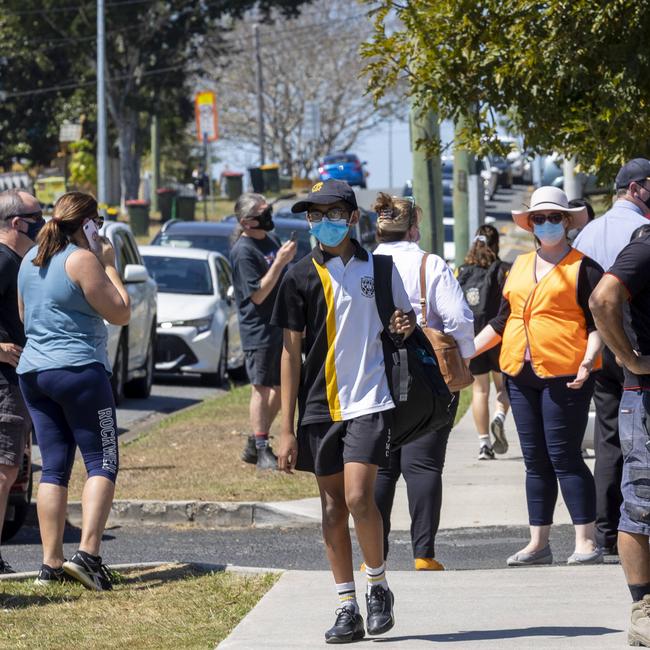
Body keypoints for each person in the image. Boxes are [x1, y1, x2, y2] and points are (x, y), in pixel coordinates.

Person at [273, 180, 415, 644]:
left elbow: (401, 328)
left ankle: (377, 586)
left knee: (358, 498)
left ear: (353, 218)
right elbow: (290, 355)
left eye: (332, 213)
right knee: (332, 508)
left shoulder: (381, 266)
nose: (322, 223)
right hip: (318, 407)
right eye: (314, 215)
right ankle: (346, 605)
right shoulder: (298, 276)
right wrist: (285, 428)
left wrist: (403, 325)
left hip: (370, 400)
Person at [473, 186, 604, 566]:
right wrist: (467, 350)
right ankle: (538, 543)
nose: (546, 224)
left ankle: (585, 541)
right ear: (530, 224)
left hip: (567, 373)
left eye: (553, 218)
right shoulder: (517, 265)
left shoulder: (585, 267)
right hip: (519, 371)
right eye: (539, 218)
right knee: (535, 460)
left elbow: (598, 325)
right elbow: (502, 320)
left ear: (567, 222)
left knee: (565, 455)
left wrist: (588, 358)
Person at [17, 192, 130, 590]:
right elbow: (121, 311)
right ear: (86, 224)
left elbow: (23, 316)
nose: (99, 228)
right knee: (103, 459)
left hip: (33, 372)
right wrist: (111, 265)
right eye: (96, 220)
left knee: (54, 467)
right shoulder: (83, 260)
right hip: (78, 370)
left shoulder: (31, 260)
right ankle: (88, 555)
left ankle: (50, 565)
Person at [371, 192, 473, 571]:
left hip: (377, 372)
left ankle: (373, 554)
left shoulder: (366, 264)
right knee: (424, 465)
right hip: (429, 375)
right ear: (414, 227)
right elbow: (458, 317)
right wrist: (465, 353)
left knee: (381, 466)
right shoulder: (430, 265)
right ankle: (423, 553)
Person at [573, 158, 650, 555]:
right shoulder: (641, 233)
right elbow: (605, 296)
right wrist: (631, 356)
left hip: (599, 344)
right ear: (636, 189)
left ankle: (606, 534)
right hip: (632, 346)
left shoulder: (588, 232)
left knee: (609, 438)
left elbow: (583, 295)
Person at [589, 232, 650, 646]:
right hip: (645, 397)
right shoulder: (646, 247)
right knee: (642, 506)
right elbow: (601, 299)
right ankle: (642, 608)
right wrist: (629, 358)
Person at [230, 193, 296, 470]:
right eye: (263, 212)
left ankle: (253, 441)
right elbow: (257, 294)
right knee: (261, 387)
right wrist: (279, 262)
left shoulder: (271, 241)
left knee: (282, 388)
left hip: (279, 323)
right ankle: (260, 448)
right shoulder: (243, 251)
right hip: (257, 328)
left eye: (268, 210)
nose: (269, 216)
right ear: (247, 222)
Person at [0, 189, 44, 573]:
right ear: (18, 223)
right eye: (37, 215)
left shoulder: (18, 261)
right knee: (3, 468)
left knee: (9, 469)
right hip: (2, 382)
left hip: (15, 379)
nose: (43, 223)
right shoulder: (1, 260)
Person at [457, 224, 511, 460]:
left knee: (479, 391)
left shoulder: (463, 271)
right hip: (497, 337)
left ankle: (484, 446)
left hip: (473, 339)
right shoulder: (503, 270)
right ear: (495, 244)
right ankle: (499, 415)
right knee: (504, 387)